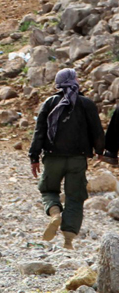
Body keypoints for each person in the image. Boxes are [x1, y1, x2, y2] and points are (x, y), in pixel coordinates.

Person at [30, 68, 105, 250]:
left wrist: (34, 157)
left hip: (52, 157)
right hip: (77, 159)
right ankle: (68, 240)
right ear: (74, 81)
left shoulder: (50, 103)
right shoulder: (86, 103)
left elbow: (39, 131)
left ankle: (55, 213)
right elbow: (97, 130)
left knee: (48, 190)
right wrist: (100, 151)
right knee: (75, 197)